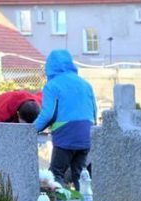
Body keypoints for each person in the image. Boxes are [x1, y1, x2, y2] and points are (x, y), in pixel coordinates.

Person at [33, 50, 97, 191]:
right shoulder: (85, 84)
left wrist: (32, 130)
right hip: (87, 132)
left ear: (49, 66)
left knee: (56, 174)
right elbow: (94, 110)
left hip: (66, 135)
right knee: (80, 175)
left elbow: (48, 114)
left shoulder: (52, 86)